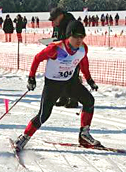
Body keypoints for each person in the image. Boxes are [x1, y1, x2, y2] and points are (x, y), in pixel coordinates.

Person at [13, 20, 99, 152]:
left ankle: (84, 135)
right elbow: (37, 58)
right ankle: (23, 138)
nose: (79, 40)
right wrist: (31, 77)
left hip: (70, 83)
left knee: (89, 101)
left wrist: (90, 80)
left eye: (82, 37)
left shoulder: (83, 49)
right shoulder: (56, 48)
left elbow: (84, 64)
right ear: (68, 36)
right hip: (53, 85)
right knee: (44, 115)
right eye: (76, 36)